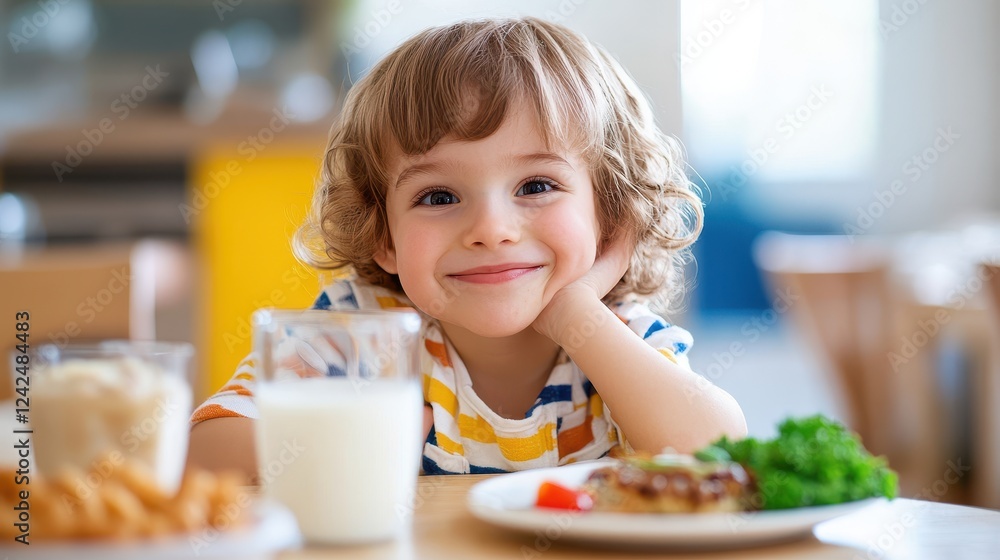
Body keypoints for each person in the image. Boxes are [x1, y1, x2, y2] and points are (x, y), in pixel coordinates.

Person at [187, 17, 746, 478]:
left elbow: (717, 452)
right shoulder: (362, 334)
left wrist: (574, 313)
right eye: (438, 196)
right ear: (384, 235)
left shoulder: (621, 340)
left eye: (535, 186)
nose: (491, 229)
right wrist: (349, 437)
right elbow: (204, 458)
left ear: (610, 213)